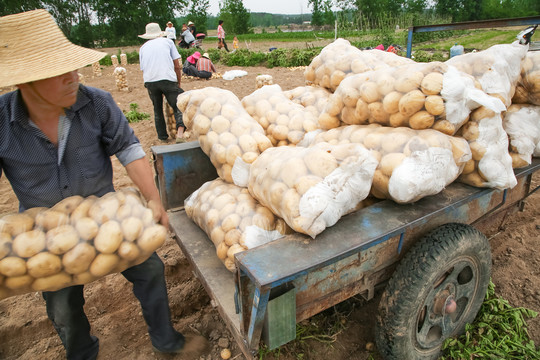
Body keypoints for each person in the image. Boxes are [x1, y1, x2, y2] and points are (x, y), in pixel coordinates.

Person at [0, 9, 207, 359]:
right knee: (63, 307)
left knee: (152, 270)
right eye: (59, 72)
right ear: (26, 81)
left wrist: (155, 200)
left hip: (107, 220)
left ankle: (166, 341)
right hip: (45, 234)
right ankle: (82, 354)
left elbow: (129, 152)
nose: (73, 77)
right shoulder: (3, 120)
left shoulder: (97, 102)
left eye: (73, 67)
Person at [138, 22, 186, 143]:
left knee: (157, 109)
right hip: (166, 78)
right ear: (160, 33)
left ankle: (162, 137)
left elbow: (143, 69)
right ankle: (180, 134)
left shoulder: (143, 48)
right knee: (178, 105)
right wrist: (177, 83)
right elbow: (176, 65)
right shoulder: (168, 42)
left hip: (150, 81)